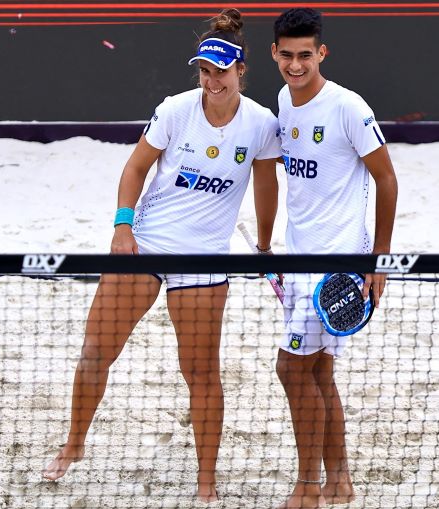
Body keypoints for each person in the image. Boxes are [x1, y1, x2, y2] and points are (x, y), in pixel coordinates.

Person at [42, 8, 281, 503]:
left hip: (205, 259)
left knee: (201, 374)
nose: (212, 80)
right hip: (147, 243)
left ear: (241, 70)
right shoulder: (176, 109)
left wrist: (262, 246)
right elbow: (134, 169)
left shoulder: (261, 123)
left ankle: (206, 482)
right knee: (96, 353)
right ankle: (74, 444)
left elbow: (266, 186)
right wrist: (122, 228)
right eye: (204, 70)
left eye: (221, 71)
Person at [270, 8, 399, 509]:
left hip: (336, 265)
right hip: (298, 257)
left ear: (321, 53)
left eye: (306, 55)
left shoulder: (348, 107)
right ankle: (340, 481)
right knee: (318, 374)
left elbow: (386, 179)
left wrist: (377, 262)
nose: (296, 65)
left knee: (290, 370)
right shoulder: (283, 100)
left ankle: (308, 488)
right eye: (288, 55)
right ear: (275, 54)